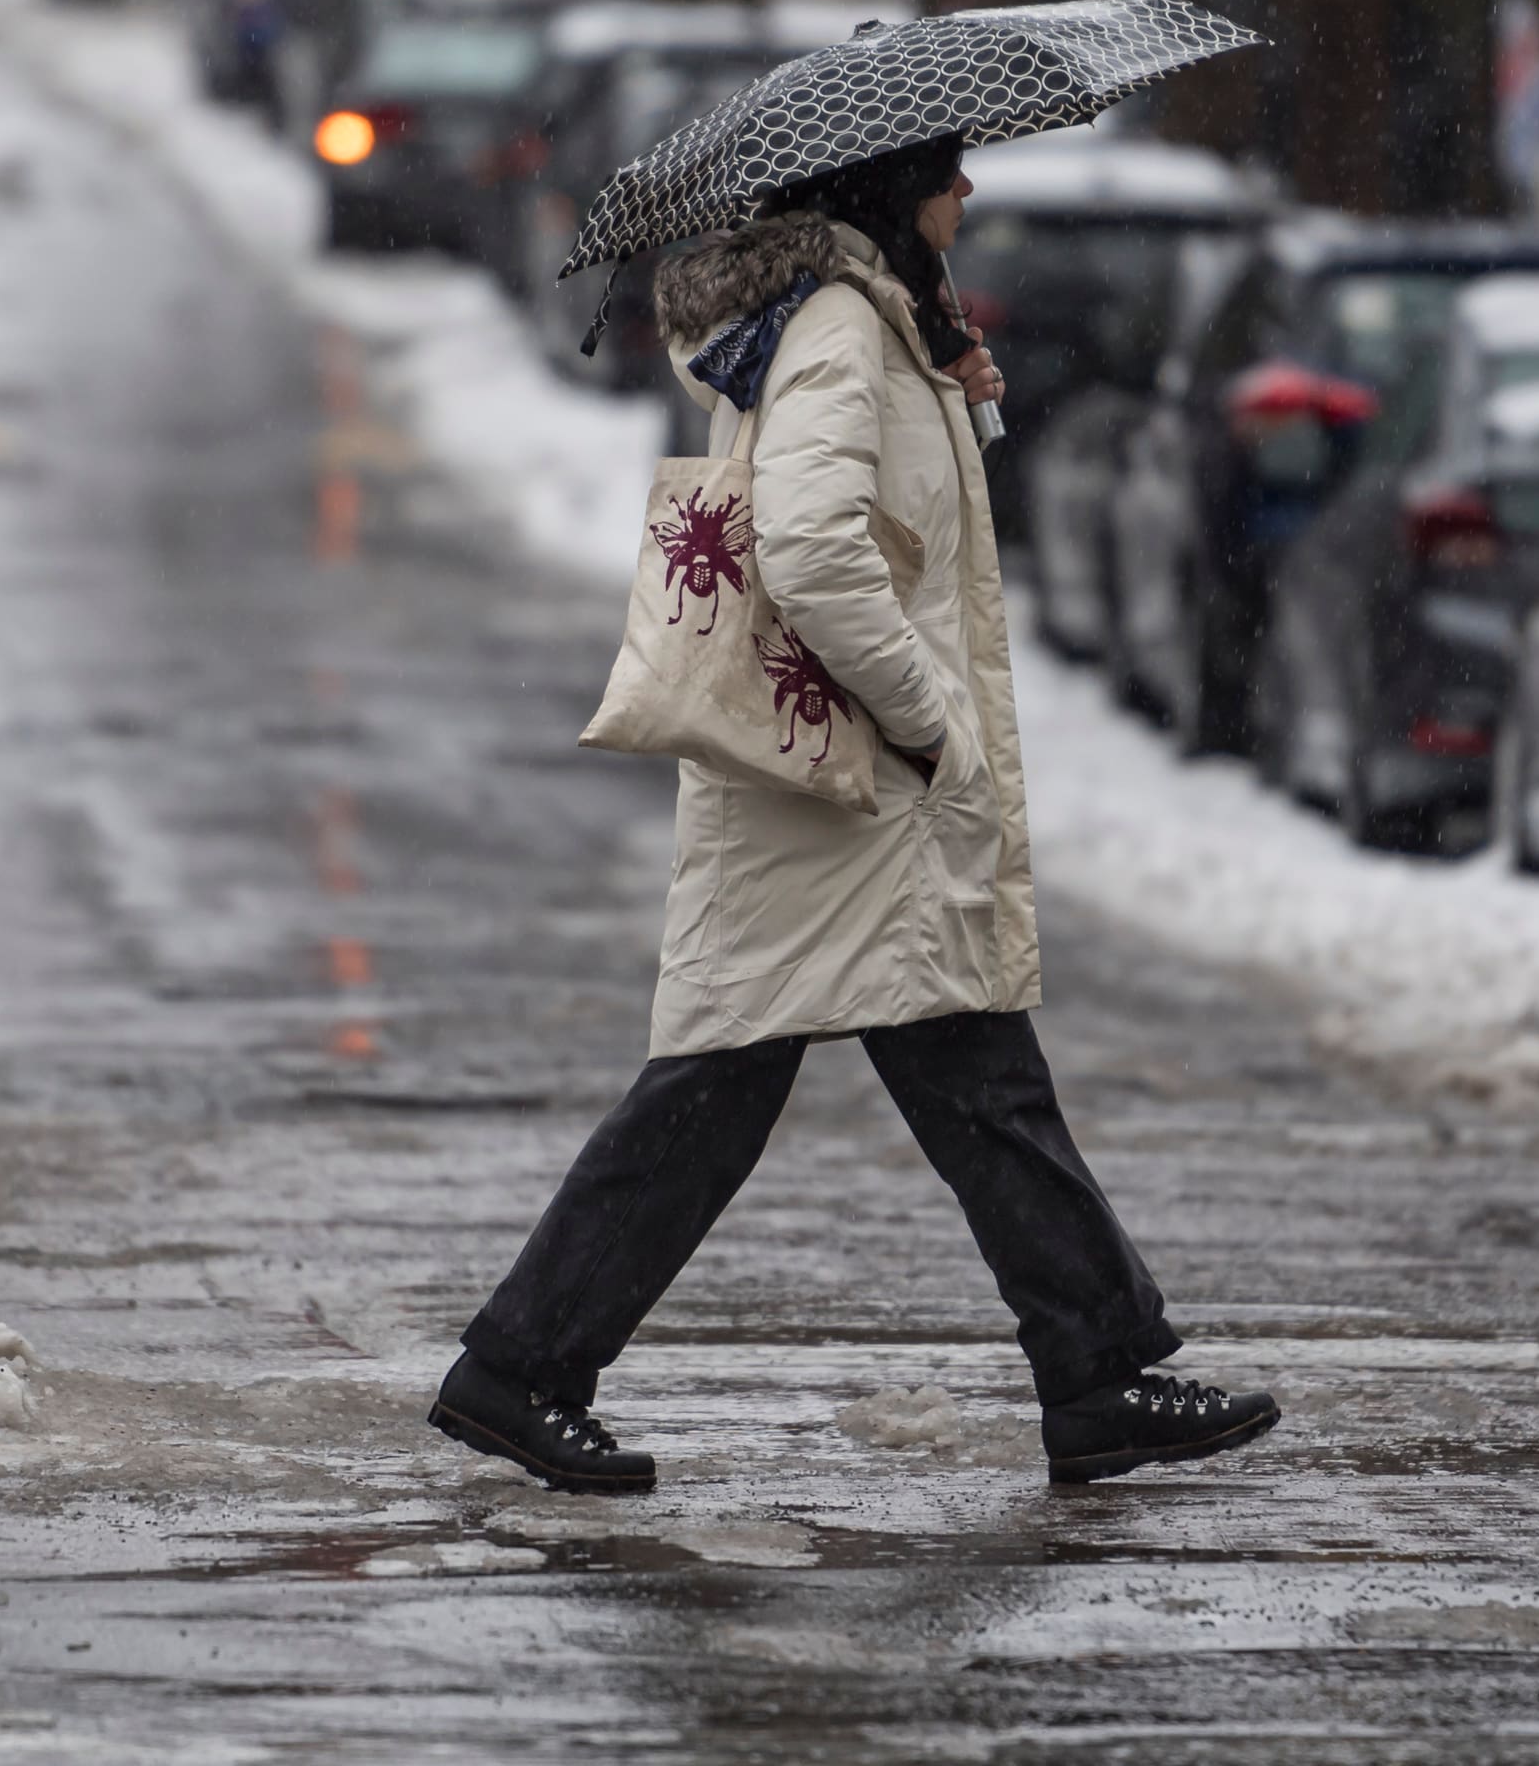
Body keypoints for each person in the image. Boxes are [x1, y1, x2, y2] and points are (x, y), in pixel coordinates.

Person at [430, 132, 1279, 1492]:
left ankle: (1097, 1368)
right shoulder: (835, 325)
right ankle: (520, 1367)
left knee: (968, 1076)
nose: (971, 190)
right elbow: (816, 548)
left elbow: (888, 513)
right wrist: (927, 718)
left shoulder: (867, 326)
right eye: (949, 169)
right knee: (732, 1087)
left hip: (848, 801)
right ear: (890, 191)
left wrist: (958, 396)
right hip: (839, 793)